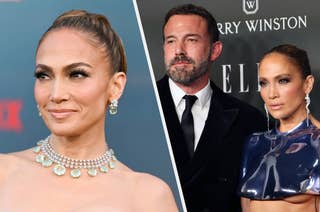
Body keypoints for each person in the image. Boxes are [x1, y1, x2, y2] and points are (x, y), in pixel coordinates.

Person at [0, 10, 178, 211]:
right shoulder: (4, 173)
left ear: (115, 86)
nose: (56, 94)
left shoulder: (148, 197)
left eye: (77, 74)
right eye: (44, 75)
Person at [156, 4, 267, 212]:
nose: (179, 50)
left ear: (215, 50)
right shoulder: (134, 109)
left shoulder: (249, 121)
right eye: (171, 41)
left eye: (191, 40)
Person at [238, 44, 320, 212]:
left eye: (283, 80)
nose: (272, 94)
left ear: (308, 84)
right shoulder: (254, 144)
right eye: (264, 83)